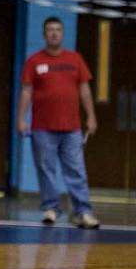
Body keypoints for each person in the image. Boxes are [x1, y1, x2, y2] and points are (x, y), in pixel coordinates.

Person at [16, 17, 100, 230]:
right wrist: (21, 118)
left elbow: (84, 89)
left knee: (76, 170)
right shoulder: (34, 61)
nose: (54, 33)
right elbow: (26, 91)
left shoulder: (75, 59)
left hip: (71, 127)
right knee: (46, 169)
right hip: (42, 127)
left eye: (58, 30)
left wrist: (91, 116)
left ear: (63, 34)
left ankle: (83, 211)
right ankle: (51, 208)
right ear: (44, 35)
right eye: (50, 30)